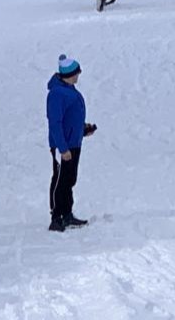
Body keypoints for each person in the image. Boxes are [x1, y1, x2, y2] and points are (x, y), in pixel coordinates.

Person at [47, 54, 97, 231]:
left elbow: (70, 119)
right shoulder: (57, 94)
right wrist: (62, 147)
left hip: (73, 144)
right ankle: (56, 217)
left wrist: (83, 130)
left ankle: (67, 214)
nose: (78, 75)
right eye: (76, 72)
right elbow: (55, 123)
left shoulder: (69, 89)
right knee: (60, 180)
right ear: (68, 74)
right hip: (65, 147)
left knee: (69, 180)